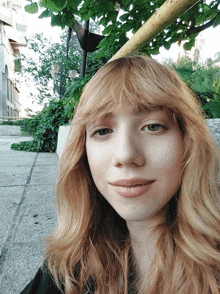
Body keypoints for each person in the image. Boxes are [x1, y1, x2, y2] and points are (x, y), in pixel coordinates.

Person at [21, 55, 220, 294]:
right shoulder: (68, 266)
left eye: (153, 126)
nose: (125, 155)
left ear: (188, 141)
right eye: (103, 131)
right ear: (82, 152)